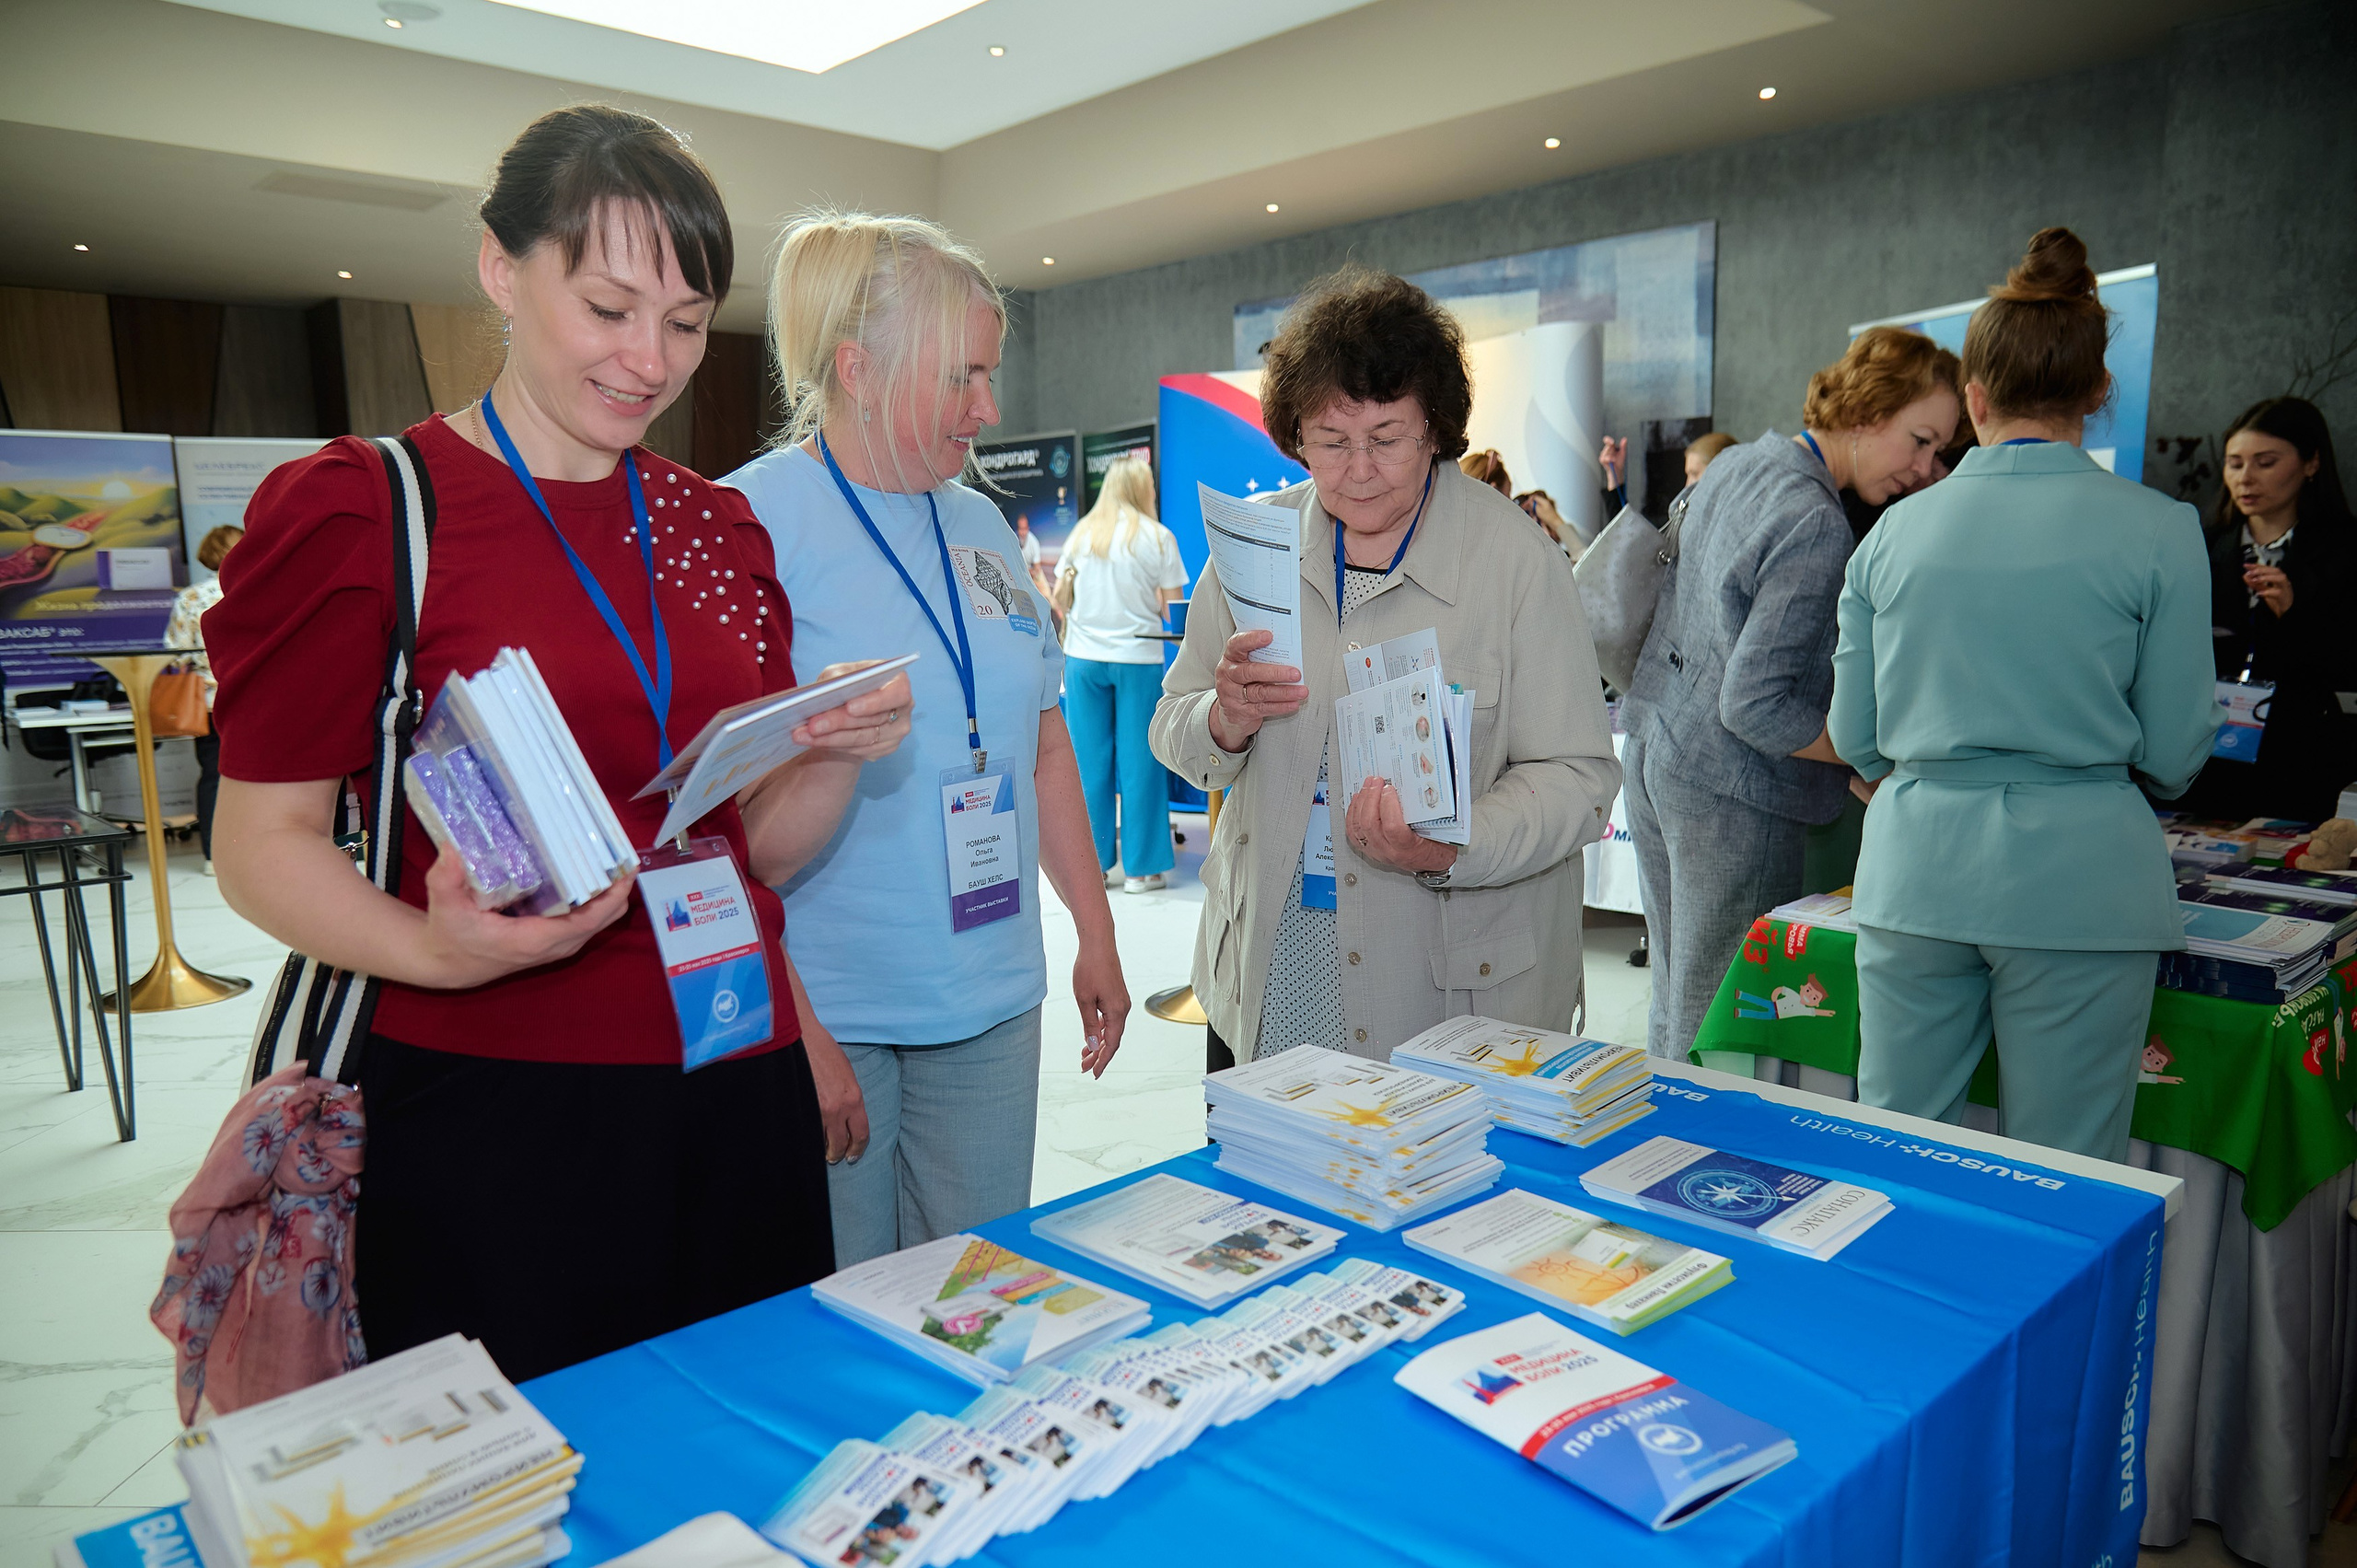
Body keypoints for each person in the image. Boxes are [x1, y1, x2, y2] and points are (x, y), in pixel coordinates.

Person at [206, 106, 911, 1381]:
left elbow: (752, 850)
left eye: (686, 324)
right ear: (500, 269)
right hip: (496, 1098)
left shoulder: (715, 524)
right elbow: (261, 845)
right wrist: (429, 941)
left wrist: (830, 748)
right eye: (608, 308)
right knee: (525, 1481)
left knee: (742, 1457)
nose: (649, 359)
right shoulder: (366, 508)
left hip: (730, 1071)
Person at [728, 208, 1131, 1269]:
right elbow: (710, 825)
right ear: (858, 370)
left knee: (976, 1295)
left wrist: (1093, 926)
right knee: (846, 1309)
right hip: (836, 1003)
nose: (989, 408)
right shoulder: (751, 525)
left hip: (992, 992)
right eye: (963, 378)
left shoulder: (983, 526)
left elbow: (1041, 741)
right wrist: (797, 1028)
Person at [1152, 265, 1619, 1070]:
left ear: (1435, 429)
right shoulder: (1254, 549)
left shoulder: (1513, 561)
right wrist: (1221, 718)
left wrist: (1451, 844)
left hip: (1450, 1001)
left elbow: (1578, 778)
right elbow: (1175, 726)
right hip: (1271, 976)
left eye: (1387, 439)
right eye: (1330, 441)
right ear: (1295, 434)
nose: (1358, 469)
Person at [1832, 226, 2218, 1162]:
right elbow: (2173, 752)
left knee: (1898, 1151)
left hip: (1916, 866)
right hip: (2084, 881)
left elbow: (1856, 734)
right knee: (2069, 1169)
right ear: (2097, 392)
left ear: (1972, 398)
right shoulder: (2160, 529)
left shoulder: (1891, 533)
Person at [1620, 325, 1960, 1062]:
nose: (1929, 468)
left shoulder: (1744, 463)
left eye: (1942, 451)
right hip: (1729, 792)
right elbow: (1757, 704)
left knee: (1677, 993)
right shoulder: (1817, 521)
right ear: (1869, 412)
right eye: (1922, 440)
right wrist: (1864, 757)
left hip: (1656, 751)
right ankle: (1689, 1169)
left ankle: (1660, 1149)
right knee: (1719, 1019)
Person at [2168, 396, 2356, 825]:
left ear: (2311, 464)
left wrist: (2296, 614)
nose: (2246, 478)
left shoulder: (2345, 550)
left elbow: (2343, 665)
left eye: (2265, 462)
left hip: (2303, 761)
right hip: (2205, 759)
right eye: (2235, 464)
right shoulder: (2197, 546)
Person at [1055, 455, 1188, 892]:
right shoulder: (1157, 537)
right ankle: (1142, 870)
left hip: (1082, 658)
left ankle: (1091, 866)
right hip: (1137, 657)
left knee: (1087, 764)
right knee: (1140, 763)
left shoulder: (1081, 534)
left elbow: (1061, 599)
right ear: (1142, 488)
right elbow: (1174, 610)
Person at [165, 523, 240, 874]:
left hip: (211, 701)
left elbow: (176, 654)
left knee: (213, 774)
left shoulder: (192, 598)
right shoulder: (263, 589)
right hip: (259, 701)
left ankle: (213, 856)